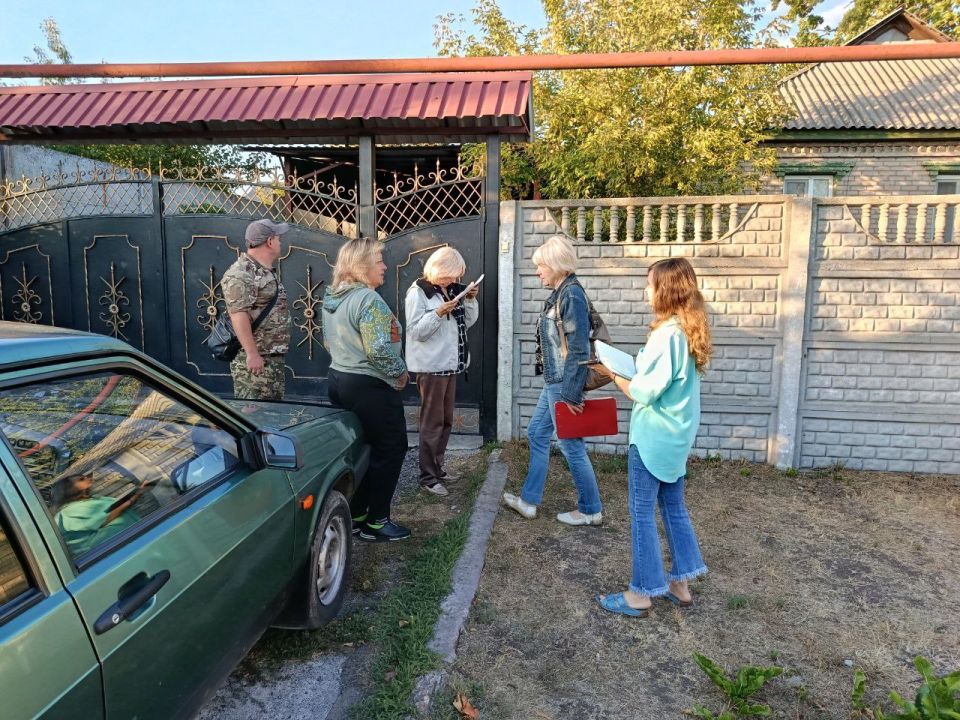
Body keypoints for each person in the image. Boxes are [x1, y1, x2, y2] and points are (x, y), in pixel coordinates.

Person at [595, 257, 712, 617]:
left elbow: (643, 392)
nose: (646, 291)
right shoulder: (686, 329)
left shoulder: (668, 336)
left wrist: (614, 374)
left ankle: (642, 592)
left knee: (641, 512)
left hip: (652, 438)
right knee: (673, 507)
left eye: (649, 284)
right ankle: (680, 583)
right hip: (675, 438)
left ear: (665, 289)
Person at [502, 235, 603, 526]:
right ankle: (529, 501)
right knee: (536, 433)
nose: (537, 271)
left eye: (541, 265)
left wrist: (571, 395)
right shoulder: (560, 292)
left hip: (563, 383)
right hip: (555, 381)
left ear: (556, 265)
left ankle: (590, 509)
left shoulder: (570, 294)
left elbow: (580, 348)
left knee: (571, 445)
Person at [322, 237, 411, 543]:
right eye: (379, 261)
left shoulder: (332, 296)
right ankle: (377, 522)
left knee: (364, 448)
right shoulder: (368, 300)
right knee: (392, 447)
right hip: (369, 386)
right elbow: (378, 350)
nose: (385, 266)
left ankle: (358, 513)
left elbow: (328, 342)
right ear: (361, 266)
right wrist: (400, 372)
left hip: (339, 379)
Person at [405, 247, 479, 497]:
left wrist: (469, 299)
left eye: (457, 276)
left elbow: (467, 322)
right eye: (451, 275)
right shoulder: (419, 292)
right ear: (439, 270)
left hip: (451, 364)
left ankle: (438, 468)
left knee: (446, 421)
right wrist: (437, 313)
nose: (454, 280)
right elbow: (416, 331)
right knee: (432, 423)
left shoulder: (452, 290)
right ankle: (427, 477)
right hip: (431, 366)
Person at [221, 219, 292, 400]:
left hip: (269, 359)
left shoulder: (262, 271)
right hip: (255, 364)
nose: (280, 242)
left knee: (271, 413)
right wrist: (252, 355)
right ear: (269, 241)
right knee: (254, 415)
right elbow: (238, 315)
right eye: (278, 238)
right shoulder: (241, 273)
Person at [53, 473, 148, 557]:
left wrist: (136, 493)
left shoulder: (91, 499)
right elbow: (108, 517)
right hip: (116, 551)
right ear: (70, 489)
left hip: (131, 543)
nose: (88, 479)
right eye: (81, 479)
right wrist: (136, 496)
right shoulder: (70, 510)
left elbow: (114, 507)